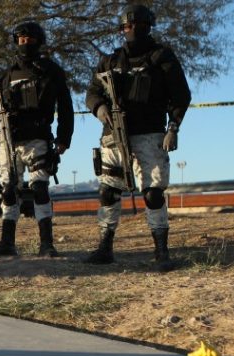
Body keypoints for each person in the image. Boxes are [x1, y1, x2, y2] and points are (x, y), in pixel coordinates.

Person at [83, 4, 191, 269]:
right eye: (127, 27)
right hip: (113, 134)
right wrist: (99, 108)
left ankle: (161, 252)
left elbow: (181, 96)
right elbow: (92, 92)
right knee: (108, 190)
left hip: (150, 134)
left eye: (137, 27)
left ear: (147, 27)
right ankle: (105, 247)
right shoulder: (110, 60)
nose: (131, 31)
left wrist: (173, 127)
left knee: (153, 193)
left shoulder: (162, 58)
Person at [0, 21, 73, 258]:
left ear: (39, 42)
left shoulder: (52, 71)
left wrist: (64, 138)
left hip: (38, 138)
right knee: (9, 190)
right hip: (9, 140)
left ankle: (46, 245)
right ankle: (7, 243)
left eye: (30, 40)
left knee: (40, 189)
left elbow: (65, 106)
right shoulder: (8, 73)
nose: (25, 43)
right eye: (21, 40)